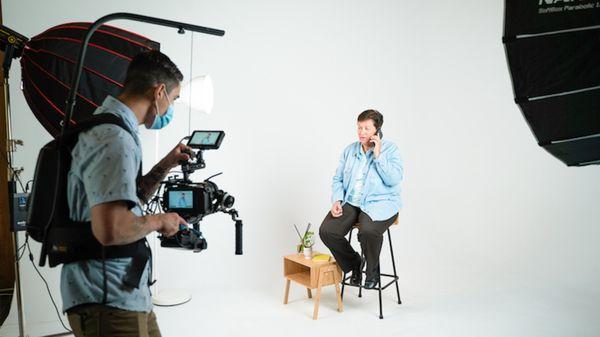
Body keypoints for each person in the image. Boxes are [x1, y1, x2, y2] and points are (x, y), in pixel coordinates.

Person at [63, 50, 190, 336]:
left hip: (127, 292)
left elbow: (127, 203)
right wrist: (160, 220)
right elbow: (111, 229)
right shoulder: (114, 139)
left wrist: (166, 164)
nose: (171, 107)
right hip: (107, 298)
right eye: (174, 99)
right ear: (159, 92)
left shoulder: (111, 128)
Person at [319, 109, 403, 289]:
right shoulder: (350, 150)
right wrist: (337, 200)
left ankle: (372, 273)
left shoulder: (391, 150)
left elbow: (393, 179)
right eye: (359, 128)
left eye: (366, 128)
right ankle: (355, 264)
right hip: (351, 202)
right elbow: (338, 179)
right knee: (327, 230)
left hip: (380, 203)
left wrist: (378, 155)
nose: (361, 132)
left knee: (367, 231)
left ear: (377, 130)